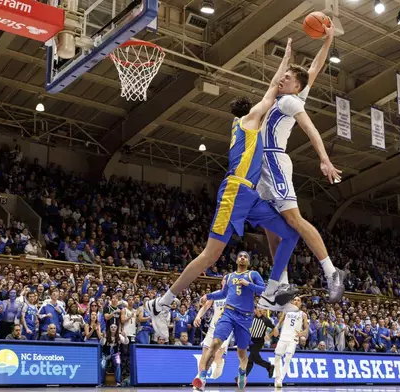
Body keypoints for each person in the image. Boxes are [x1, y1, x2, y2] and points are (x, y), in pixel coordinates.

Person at [145, 38, 299, 324]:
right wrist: (286, 59)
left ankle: (275, 292)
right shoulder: (249, 119)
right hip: (234, 191)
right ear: (249, 110)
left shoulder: (243, 125)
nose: (261, 107)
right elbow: (273, 89)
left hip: (250, 196)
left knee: (290, 233)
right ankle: (162, 303)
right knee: (210, 256)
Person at [257, 18, 346, 303]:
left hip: (275, 162)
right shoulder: (283, 96)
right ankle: (281, 284)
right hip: (261, 166)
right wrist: (327, 41)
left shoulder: (290, 102)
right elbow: (314, 69)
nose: (282, 79)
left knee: (293, 220)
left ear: (296, 87)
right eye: (283, 77)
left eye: (287, 79)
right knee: (270, 227)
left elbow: (311, 129)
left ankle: (332, 272)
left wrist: (324, 159)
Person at [193, 252, 265, 390]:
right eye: (240, 256)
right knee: (215, 343)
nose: (242, 257)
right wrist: (208, 295)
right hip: (229, 313)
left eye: (245, 257)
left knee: (241, 352)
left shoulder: (253, 274)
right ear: (236, 260)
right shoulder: (229, 276)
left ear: (248, 262)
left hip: (245, 317)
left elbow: (263, 290)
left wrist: (249, 284)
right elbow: (223, 294)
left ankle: (242, 373)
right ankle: (202, 376)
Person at [193, 285, 232, 380]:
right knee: (204, 354)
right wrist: (198, 316)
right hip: (213, 327)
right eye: (224, 279)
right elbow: (205, 306)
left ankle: (220, 362)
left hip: (226, 327)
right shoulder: (215, 294)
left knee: (216, 355)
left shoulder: (234, 294)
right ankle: (200, 378)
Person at [274, 296, 308, 388]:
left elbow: (306, 330)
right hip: (283, 337)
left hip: (293, 339)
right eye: (295, 300)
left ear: (300, 303)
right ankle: (277, 377)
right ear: (293, 302)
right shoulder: (286, 310)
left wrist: (302, 333)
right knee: (277, 358)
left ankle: (281, 379)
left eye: (298, 300)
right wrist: (276, 328)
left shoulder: (303, 314)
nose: (296, 301)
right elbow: (280, 322)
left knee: (288, 358)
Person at [245, 307, 278, 379]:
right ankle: (269, 366)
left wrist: (269, 335)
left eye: (261, 310)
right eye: (258, 309)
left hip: (259, 342)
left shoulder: (266, 320)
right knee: (254, 359)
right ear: (255, 310)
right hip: (251, 341)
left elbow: (274, 328)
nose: (259, 311)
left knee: (250, 358)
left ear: (263, 311)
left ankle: (243, 377)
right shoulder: (251, 317)